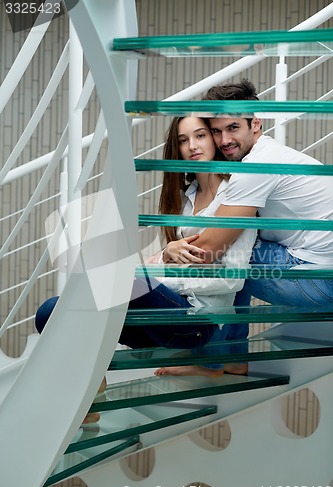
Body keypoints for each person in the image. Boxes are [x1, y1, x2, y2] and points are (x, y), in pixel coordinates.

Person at [35, 117, 257, 398]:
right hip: (158, 317)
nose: (192, 146)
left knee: (121, 274)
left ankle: (84, 386)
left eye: (200, 135)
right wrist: (165, 255)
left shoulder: (238, 198)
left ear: (213, 138)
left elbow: (232, 282)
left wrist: (160, 279)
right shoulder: (183, 198)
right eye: (183, 139)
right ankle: (90, 388)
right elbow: (162, 266)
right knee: (49, 312)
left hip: (196, 323)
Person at [186, 78, 333, 343]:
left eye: (233, 128)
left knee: (225, 251)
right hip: (320, 270)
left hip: (318, 280)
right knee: (238, 242)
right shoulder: (275, 154)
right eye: (216, 132)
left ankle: (210, 356)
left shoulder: (257, 166)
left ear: (255, 123)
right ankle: (229, 359)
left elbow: (206, 250)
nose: (224, 140)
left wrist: (162, 256)